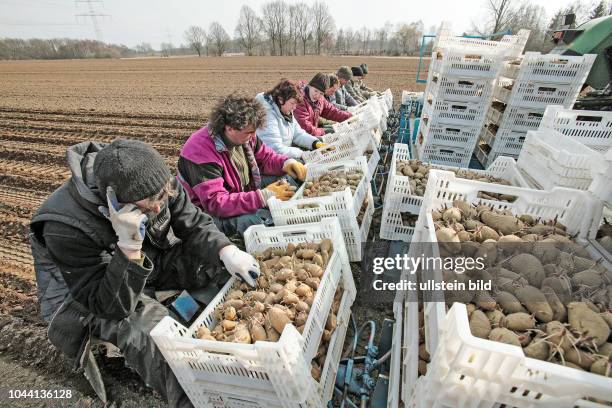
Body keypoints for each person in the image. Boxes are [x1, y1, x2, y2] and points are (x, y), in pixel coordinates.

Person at [30, 139, 262, 408]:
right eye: (149, 202)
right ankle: (201, 399)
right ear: (114, 199)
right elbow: (109, 305)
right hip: (90, 296)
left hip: (147, 260)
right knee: (149, 330)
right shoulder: (66, 226)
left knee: (218, 258)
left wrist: (226, 251)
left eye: (162, 197)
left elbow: (194, 224)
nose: (157, 206)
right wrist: (128, 248)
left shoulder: (156, 183)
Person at [178, 94, 307, 237]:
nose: (253, 136)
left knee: (290, 176)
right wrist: (262, 197)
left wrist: (286, 163)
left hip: (240, 190)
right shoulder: (200, 151)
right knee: (261, 220)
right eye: (250, 133)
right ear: (229, 128)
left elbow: (266, 158)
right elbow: (216, 203)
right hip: (206, 215)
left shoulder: (246, 137)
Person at [255, 79, 325, 159]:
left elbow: (298, 134)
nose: (294, 108)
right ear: (280, 99)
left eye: (296, 104)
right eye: (292, 103)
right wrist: (302, 154)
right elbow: (275, 149)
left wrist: (314, 143)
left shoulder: (285, 110)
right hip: (270, 163)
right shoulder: (267, 115)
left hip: (284, 157)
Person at [294, 72, 353, 137]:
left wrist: (349, 117)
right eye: (315, 91)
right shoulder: (300, 100)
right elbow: (305, 126)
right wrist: (322, 132)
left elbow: (332, 111)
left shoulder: (320, 100)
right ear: (310, 86)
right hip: (301, 137)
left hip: (312, 134)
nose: (317, 95)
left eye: (321, 93)